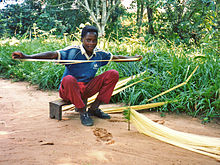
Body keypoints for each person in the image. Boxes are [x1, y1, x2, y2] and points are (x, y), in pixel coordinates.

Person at [12, 25, 142, 126]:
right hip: (68, 90)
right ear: (82, 40)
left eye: (94, 40)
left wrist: (133, 58)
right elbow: (52, 54)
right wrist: (27, 56)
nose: (91, 43)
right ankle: (82, 112)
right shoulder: (72, 52)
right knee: (68, 79)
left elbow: (116, 57)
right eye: (88, 40)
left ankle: (94, 109)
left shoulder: (99, 54)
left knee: (113, 74)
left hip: (86, 89)